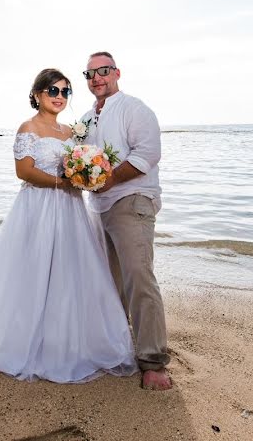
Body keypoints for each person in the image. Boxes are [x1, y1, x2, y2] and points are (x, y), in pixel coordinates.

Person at [0, 68, 136, 383]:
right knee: (33, 271)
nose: (59, 96)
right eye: (53, 90)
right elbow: (24, 172)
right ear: (36, 94)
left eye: (65, 92)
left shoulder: (71, 133)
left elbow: (80, 166)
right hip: (38, 207)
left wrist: (87, 176)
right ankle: (25, 337)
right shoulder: (28, 127)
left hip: (72, 210)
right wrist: (62, 183)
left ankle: (68, 339)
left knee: (71, 272)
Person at [81, 51, 173, 391]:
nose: (96, 79)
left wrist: (110, 179)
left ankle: (153, 361)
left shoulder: (134, 108)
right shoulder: (86, 118)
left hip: (132, 201)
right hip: (99, 207)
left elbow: (147, 153)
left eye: (102, 71)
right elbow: (82, 160)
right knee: (110, 283)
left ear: (116, 72)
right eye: (89, 74)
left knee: (138, 277)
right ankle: (118, 348)